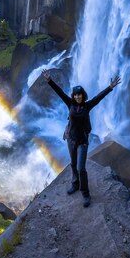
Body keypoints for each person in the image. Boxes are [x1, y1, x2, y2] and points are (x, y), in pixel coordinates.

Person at [42, 69, 121, 208]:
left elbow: (98, 97)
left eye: (80, 95)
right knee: (73, 164)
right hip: (71, 140)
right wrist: (49, 81)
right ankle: (75, 184)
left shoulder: (87, 105)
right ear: (73, 96)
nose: (78, 97)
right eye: (76, 95)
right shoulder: (70, 104)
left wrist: (110, 88)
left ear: (83, 95)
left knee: (81, 168)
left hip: (82, 142)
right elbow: (59, 92)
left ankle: (85, 193)